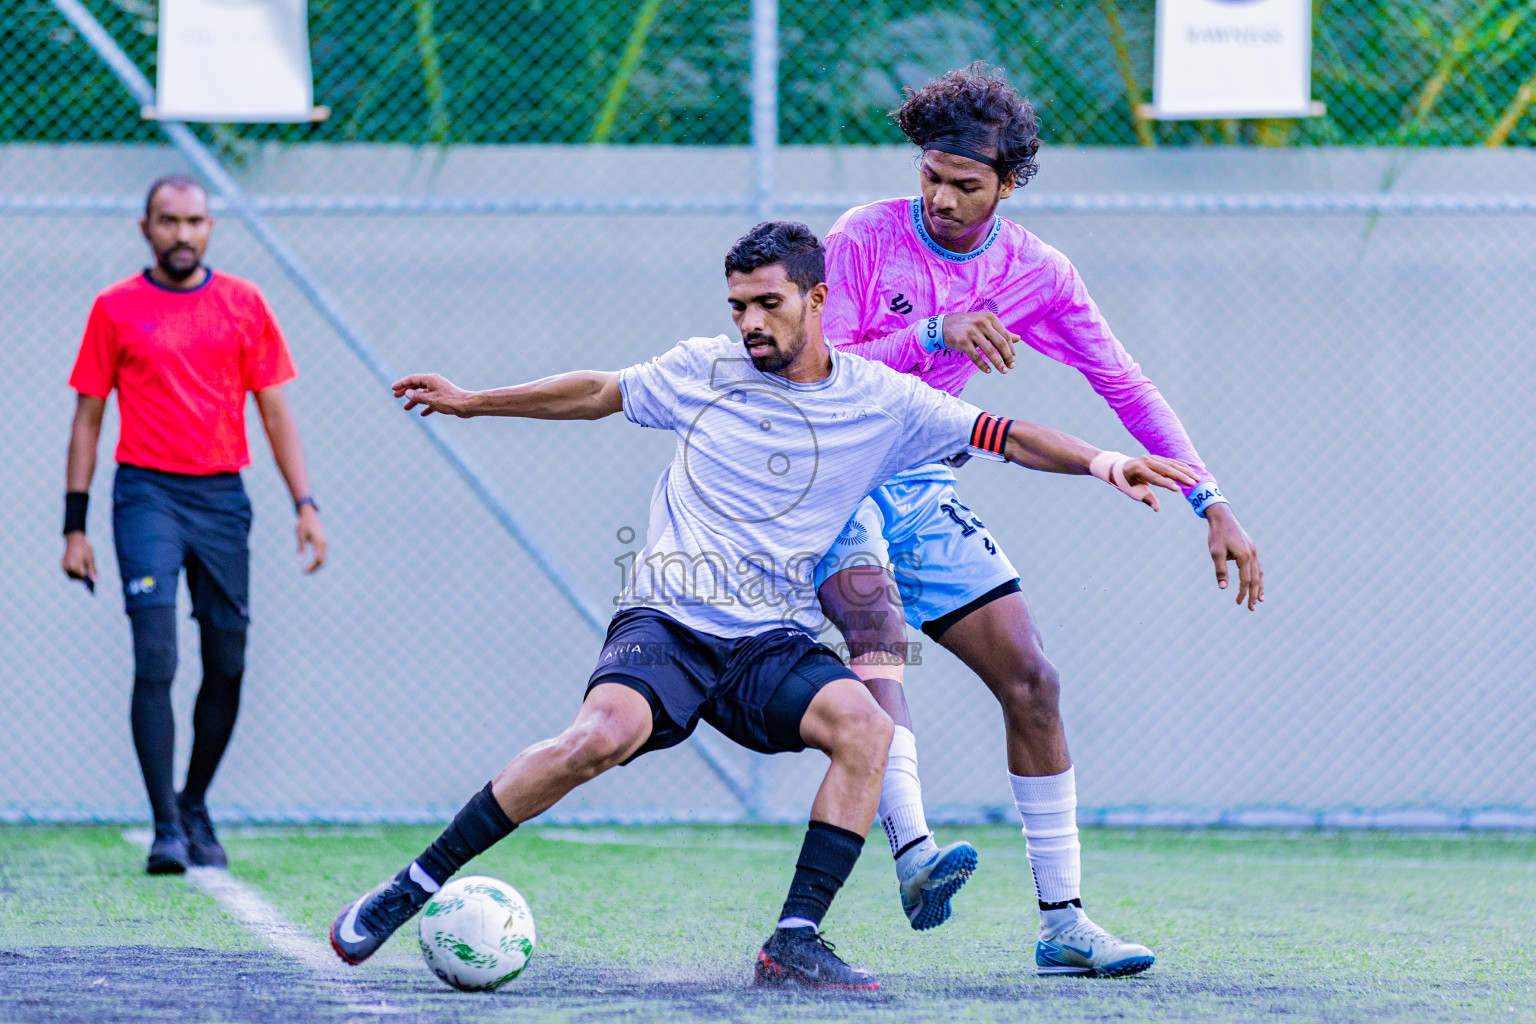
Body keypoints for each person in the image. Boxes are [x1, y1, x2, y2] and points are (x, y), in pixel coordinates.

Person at [328, 221, 1194, 989]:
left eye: (768, 304)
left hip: (770, 641)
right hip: (670, 622)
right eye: (738, 305)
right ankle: (412, 886)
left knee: (866, 728)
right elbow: (598, 392)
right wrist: (476, 401)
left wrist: (1104, 462)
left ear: (817, 300)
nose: (749, 322)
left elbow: (1003, 434)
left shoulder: (880, 398)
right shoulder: (701, 369)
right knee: (599, 738)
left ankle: (795, 942)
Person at [812, 63, 1264, 976]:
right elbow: (823, 371)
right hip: (830, 476)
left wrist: (1210, 501)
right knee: (879, 638)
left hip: (921, 483)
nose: (941, 198)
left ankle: (1064, 923)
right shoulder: (862, 236)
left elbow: (1123, 385)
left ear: (1009, 184)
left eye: (964, 184)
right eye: (930, 176)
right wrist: (936, 332)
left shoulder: (1037, 273)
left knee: (1033, 680)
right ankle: (915, 853)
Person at [61, 174, 328, 874]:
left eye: (194, 221)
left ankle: (193, 802)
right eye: (169, 220)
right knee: (156, 658)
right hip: (145, 496)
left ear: (210, 227)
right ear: (145, 228)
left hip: (221, 500)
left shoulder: (244, 303)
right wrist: (74, 527)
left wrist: (305, 504)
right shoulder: (115, 307)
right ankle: (165, 830)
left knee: (228, 663)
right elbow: (87, 419)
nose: (182, 233)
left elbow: (274, 411)